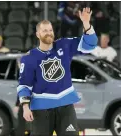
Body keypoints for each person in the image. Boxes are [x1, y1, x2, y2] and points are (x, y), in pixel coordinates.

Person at [17, 7, 98, 136]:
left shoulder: (64, 45)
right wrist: (25, 107)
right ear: (38, 34)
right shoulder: (29, 58)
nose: (48, 33)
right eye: (44, 30)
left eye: (50, 30)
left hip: (65, 105)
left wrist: (86, 24)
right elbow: (24, 84)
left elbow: (90, 45)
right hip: (41, 108)